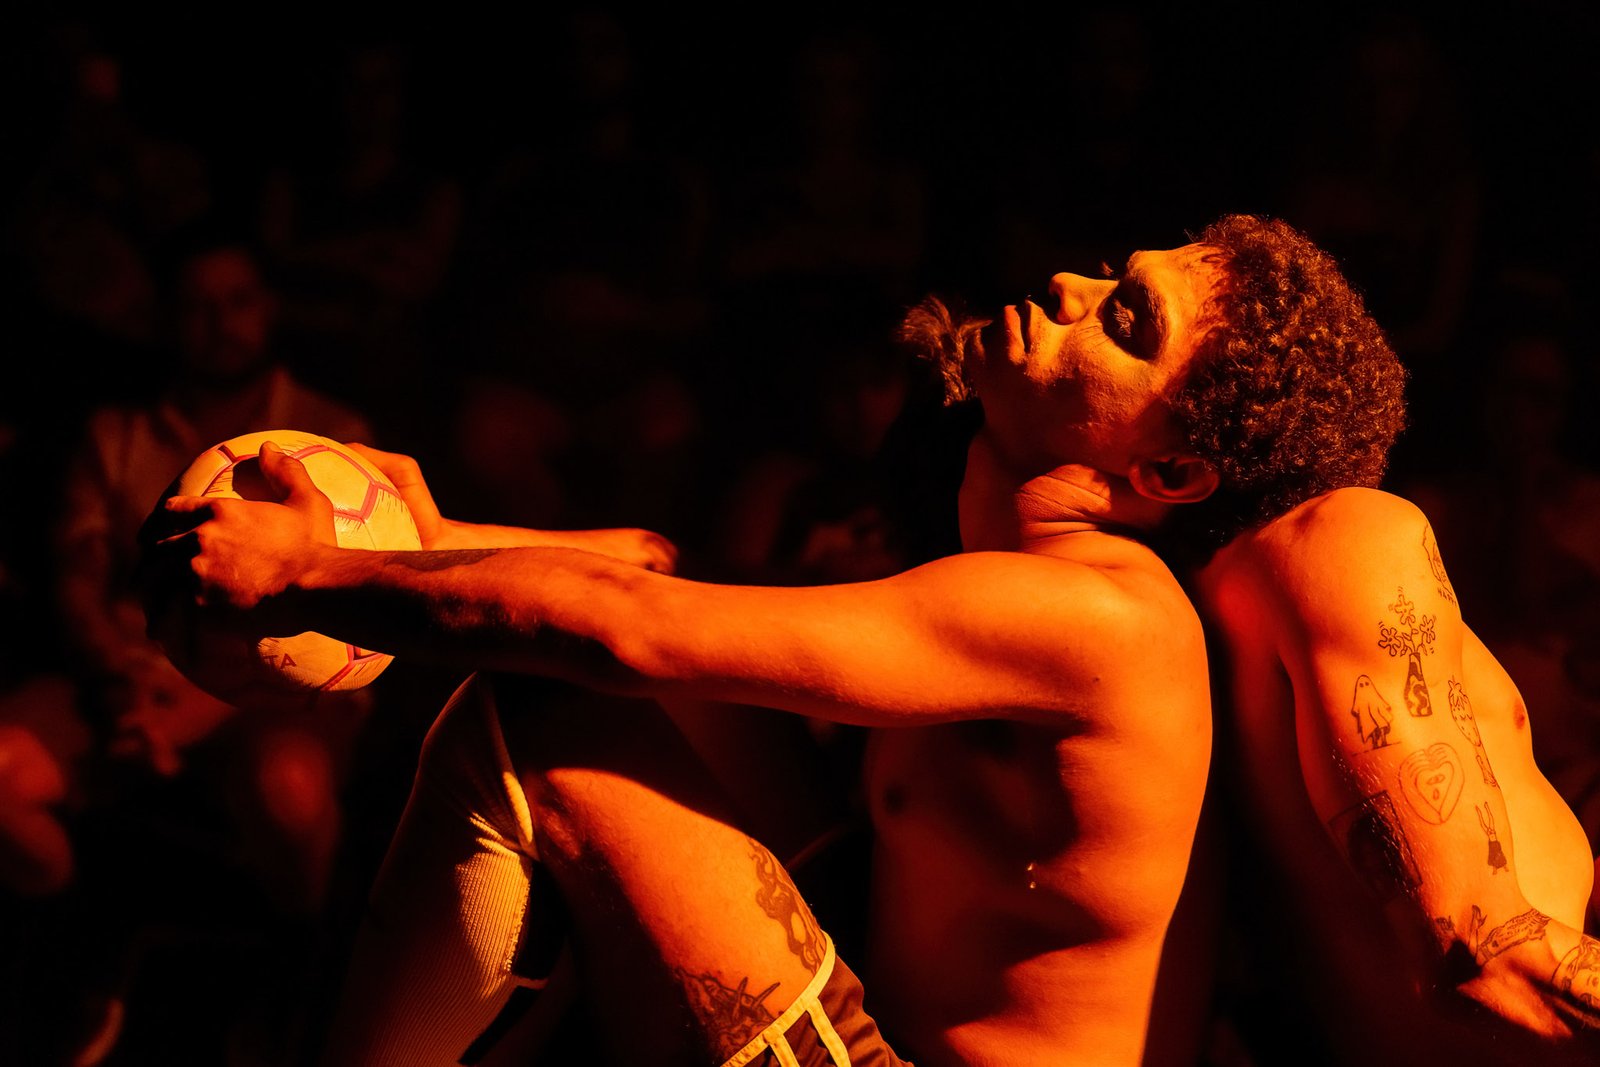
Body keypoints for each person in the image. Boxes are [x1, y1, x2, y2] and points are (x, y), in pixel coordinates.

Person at [152, 215, 1596, 1064]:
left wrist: (314, 582)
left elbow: (642, 633)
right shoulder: (999, 567)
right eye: (1115, 270)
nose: (1081, 287)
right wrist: (430, 533)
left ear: (1166, 475)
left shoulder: (1096, 616)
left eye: (1129, 319)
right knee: (560, 709)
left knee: (552, 737)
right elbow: (671, 579)